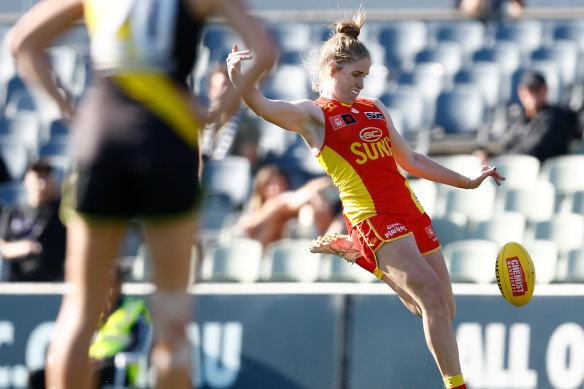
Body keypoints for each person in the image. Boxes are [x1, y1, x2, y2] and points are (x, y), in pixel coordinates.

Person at [228, 8, 504, 389]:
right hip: (373, 218)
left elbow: (410, 160)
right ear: (332, 70)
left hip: (410, 211)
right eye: (355, 75)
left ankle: (363, 257)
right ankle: (458, 386)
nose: (361, 84)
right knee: (433, 303)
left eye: (365, 76)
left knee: (442, 308)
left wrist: (466, 181)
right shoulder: (315, 116)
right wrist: (238, 79)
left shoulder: (375, 109)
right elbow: (263, 106)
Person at [8, 1, 275, 388]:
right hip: (168, 141)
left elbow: (23, 43)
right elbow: (265, 50)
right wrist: (218, 111)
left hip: (102, 137)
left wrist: (69, 108)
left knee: (81, 309)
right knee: (171, 314)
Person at [28, 260, 151, 388]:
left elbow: (139, 348)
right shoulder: (91, 311)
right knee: (38, 377)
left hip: (117, 369)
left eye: (111, 283)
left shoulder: (134, 310)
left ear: (119, 284)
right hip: (89, 363)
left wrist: (106, 360)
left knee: (86, 375)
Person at [475, 71, 582, 164]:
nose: (532, 94)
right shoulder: (519, 118)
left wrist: (498, 159)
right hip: (516, 170)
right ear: (521, 92)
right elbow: (506, 144)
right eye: (528, 90)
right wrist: (489, 155)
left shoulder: (556, 117)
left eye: (536, 89)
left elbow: (534, 150)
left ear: (545, 90)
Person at [235, 164, 339, 247]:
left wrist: (314, 192)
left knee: (306, 210)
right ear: (260, 189)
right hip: (253, 255)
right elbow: (247, 226)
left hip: (281, 258)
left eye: (280, 184)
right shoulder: (255, 210)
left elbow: (298, 199)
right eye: (269, 185)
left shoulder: (287, 205)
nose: (275, 188)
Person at [0, 159, 66, 282]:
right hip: (17, 277)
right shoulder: (13, 211)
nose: (41, 183)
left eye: (46, 178)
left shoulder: (60, 211)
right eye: (37, 177)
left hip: (52, 278)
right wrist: (19, 248)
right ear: (26, 180)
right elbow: (2, 244)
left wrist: (58, 190)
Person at [200, 64, 261, 169]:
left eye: (227, 86)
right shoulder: (202, 119)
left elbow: (247, 164)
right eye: (217, 87)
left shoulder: (247, 122)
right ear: (209, 92)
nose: (222, 91)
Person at [453, 0, 524, 20]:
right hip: (474, 24)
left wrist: (515, 4)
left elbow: (517, 6)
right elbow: (461, 6)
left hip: (499, 25)